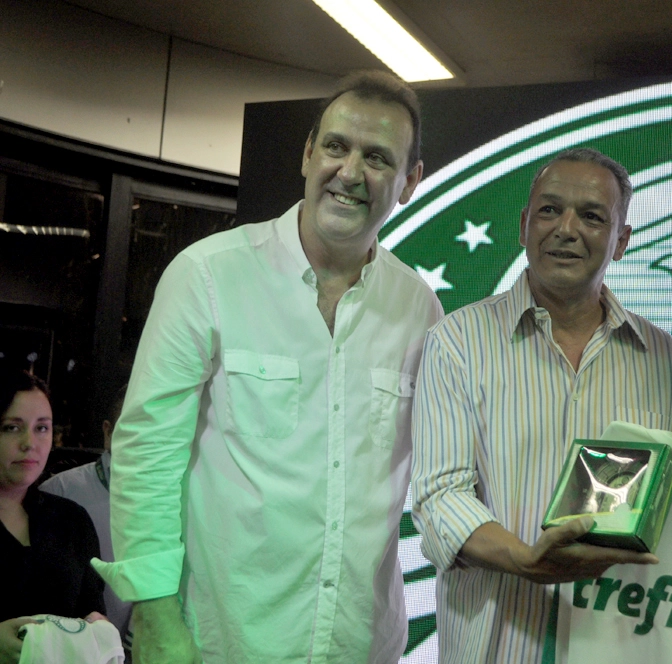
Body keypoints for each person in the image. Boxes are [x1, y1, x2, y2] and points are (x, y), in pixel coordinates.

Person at [92, 71, 443, 664]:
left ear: (411, 181)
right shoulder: (208, 275)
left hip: (359, 645)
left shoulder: (419, 308)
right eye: (336, 146)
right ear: (307, 154)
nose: (351, 172)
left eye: (378, 157)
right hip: (220, 643)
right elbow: (148, 449)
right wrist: (152, 612)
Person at [411, 147, 672, 663]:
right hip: (498, 645)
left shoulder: (665, 360)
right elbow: (440, 496)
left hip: (626, 646)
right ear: (525, 225)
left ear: (621, 242)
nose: (566, 229)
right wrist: (528, 561)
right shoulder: (456, 341)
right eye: (550, 211)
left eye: (592, 216)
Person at [0, 368, 106, 664]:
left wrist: (98, 634)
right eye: (11, 427)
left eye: (41, 428)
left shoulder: (72, 520)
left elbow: (93, 611)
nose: (29, 442)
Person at [41, 385, 132, 638]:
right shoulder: (58, 494)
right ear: (108, 433)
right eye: (131, 428)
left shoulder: (183, 501)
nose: (142, 440)